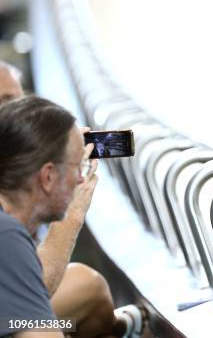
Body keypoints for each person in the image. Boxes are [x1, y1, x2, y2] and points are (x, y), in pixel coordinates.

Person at [0, 62, 144, 338]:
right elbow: (30, 299)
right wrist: (73, 208)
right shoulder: (6, 233)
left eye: (16, 103)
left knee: (84, 288)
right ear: (48, 176)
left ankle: (124, 324)